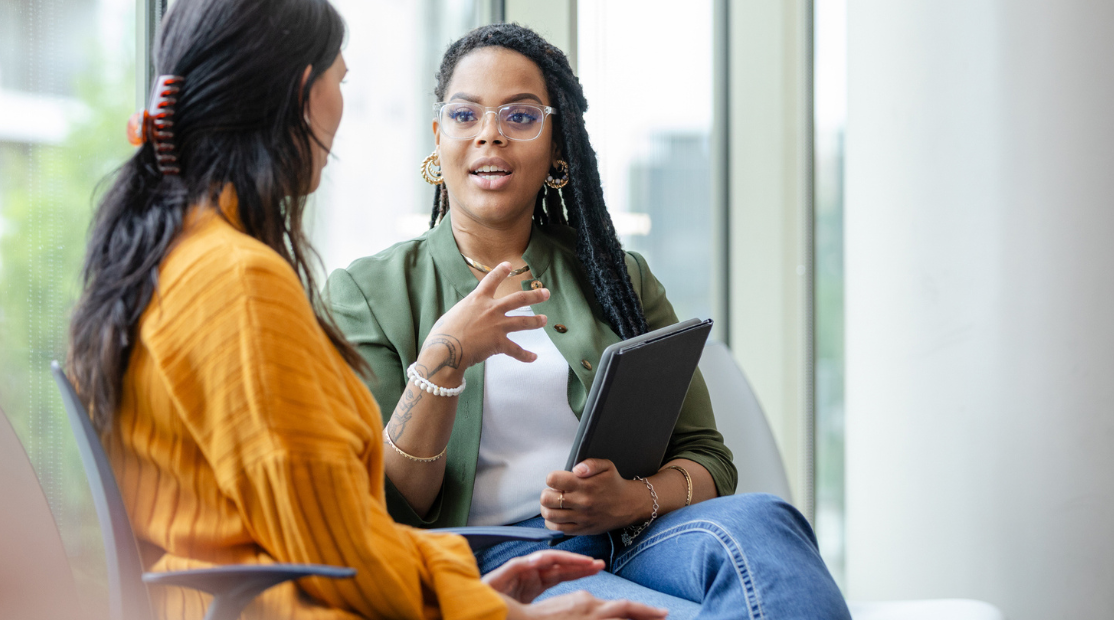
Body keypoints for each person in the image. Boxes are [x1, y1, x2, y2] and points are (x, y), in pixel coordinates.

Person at [66, 2, 667, 620]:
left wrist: (466, 592)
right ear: (306, 94)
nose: (491, 134)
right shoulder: (239, 283)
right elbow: (338, 552)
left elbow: (329, 538)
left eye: (519, 116)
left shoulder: (179, 257)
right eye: (341, 80)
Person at [325, 23, 851, 620]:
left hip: (635, 538)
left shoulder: (616, 277)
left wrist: (629, 500)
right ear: (438, 136)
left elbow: (708, 459)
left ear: (557, 147)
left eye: (520, 117)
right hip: (496, 560)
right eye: (466, 115)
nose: (490, 135)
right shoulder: (367, 293)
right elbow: (392, 505)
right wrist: (445, 353)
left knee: (766, 519)